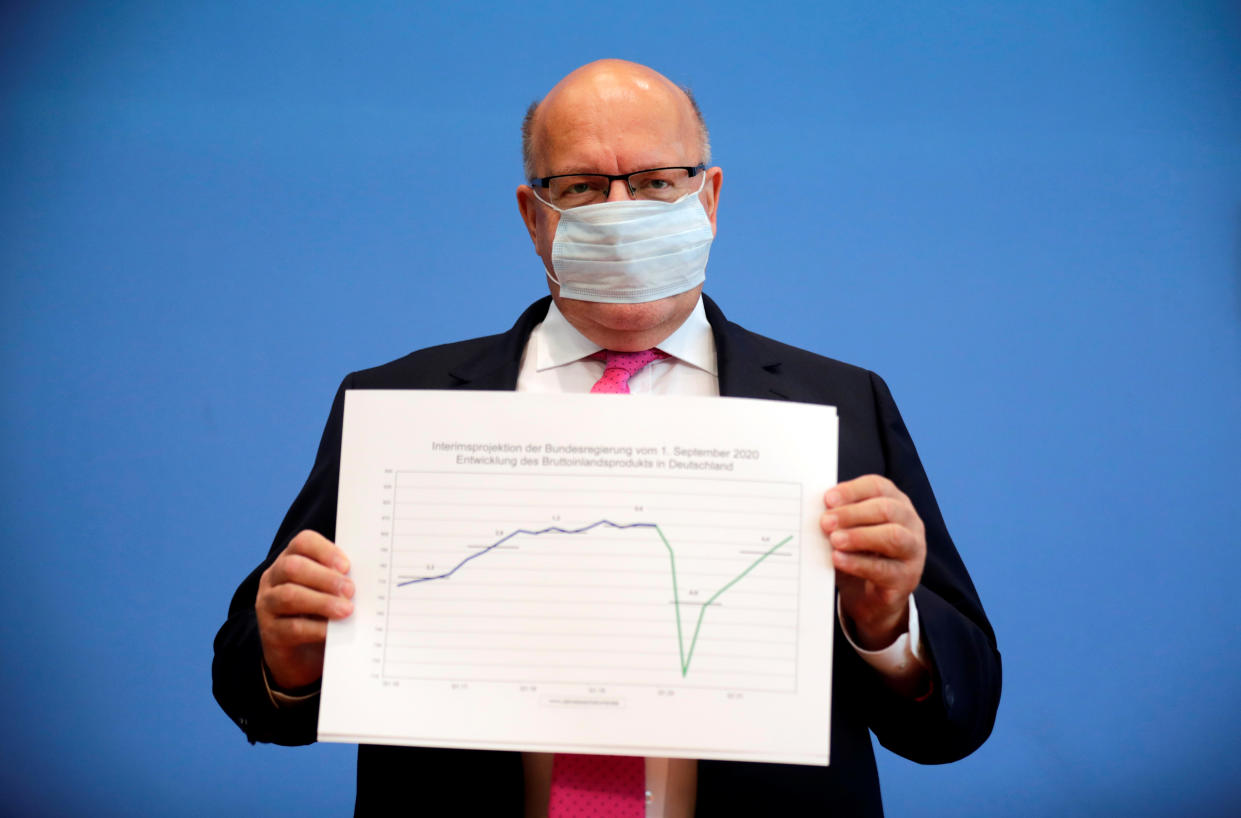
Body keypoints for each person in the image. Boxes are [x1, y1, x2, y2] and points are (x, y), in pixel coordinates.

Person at [213, 59, 1001, 816]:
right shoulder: (396, 406)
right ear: (533, 216)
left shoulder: (839, 403)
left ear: (709, 199)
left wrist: (887, 629)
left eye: (658, 183)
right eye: (583, 188)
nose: (621, 212)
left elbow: (956, 722)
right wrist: (284, 654)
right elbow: (255, 687)